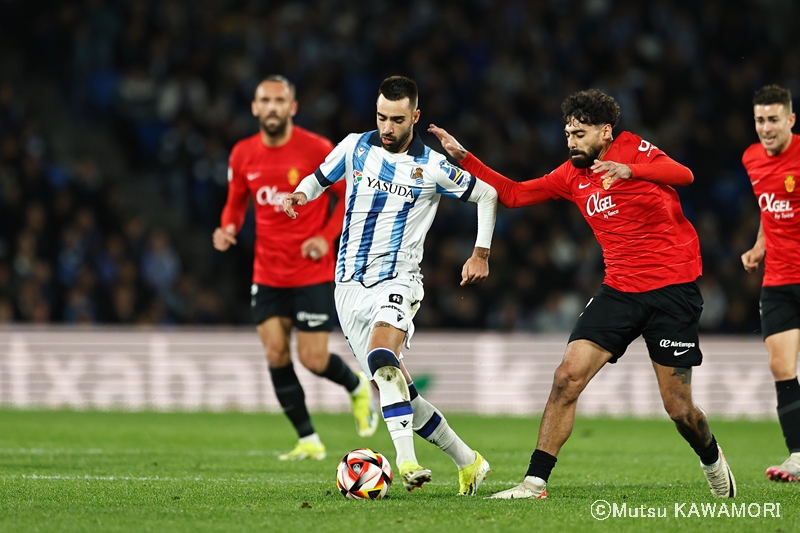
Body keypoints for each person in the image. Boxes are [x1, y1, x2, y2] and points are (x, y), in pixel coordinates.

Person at [429, 88, 737, 499]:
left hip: (672, 292)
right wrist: (465, 158)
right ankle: (534, 482)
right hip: (619, 292)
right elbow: (515, 193)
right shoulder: (572, 175)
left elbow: (685, 175)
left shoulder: (634, 149)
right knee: (565, 378)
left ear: (606, 132)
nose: (571, 141)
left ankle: (712, 458)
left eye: (580, 133)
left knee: (679, 409)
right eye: (568, 133)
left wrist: (634, 171)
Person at [283, 76, 498, 495]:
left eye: (397, 119)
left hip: (399, 280)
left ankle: (405, 461)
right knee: (398, 390)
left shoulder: (432, 166)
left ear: (414, 117)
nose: (387, 127)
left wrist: (481, 254)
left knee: (384, 356)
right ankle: (469, 462)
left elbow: (487, 194)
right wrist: (298, 195)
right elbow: (318, 179)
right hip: (347, 286)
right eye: (381, 116)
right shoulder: (354, 146)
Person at [213, 75, 377, 461]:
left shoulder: (316, 149)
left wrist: (326, 235)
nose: (272, 107)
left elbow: (346, 196)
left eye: (279, 100)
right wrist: (228, 228)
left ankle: (355, 386)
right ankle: (308, 439)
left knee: (313, 359)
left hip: (311, 270)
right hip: (267, 272)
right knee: (275, 354)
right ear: (254, 107)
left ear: (292, 107)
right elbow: (236, 201)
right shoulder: (242, 154)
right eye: (264, 101)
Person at [741, 84, 800, 482]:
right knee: (781, 366)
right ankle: (797, 454)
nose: (766, 127)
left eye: (773, 119)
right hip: (778, 278)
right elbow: (768, 207)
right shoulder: (751, 158)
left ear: (791, 120)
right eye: (760, 119)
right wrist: (760, 246)